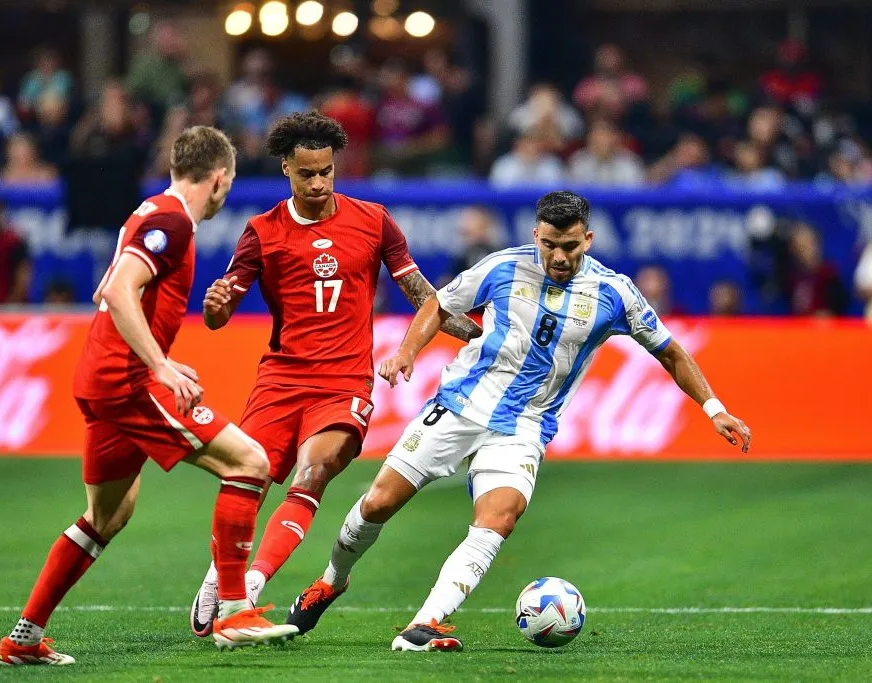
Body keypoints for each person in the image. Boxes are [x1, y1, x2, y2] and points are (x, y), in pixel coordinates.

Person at [285, 190, 752, 651]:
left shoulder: (615, 293)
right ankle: (331, 581)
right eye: (549, 244)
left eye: (570, 246)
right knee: (378, 504)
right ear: (536, 235)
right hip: (460, 405)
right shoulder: (503, 265)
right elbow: (439, 304)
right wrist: (407, 352)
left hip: (526, 425)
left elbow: (669, 351)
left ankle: (424, 624)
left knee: (498, 518)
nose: (559, 256)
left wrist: (714, 408)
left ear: (587, 240)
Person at [0, 126, 297, 667]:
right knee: (250, 462)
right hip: (128, 383)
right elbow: (116, 290)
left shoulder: (149, 209)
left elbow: (108, 286)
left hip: (102, 378)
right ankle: (231, 610)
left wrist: (155, 347)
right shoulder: (173, 220)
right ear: (221, 177)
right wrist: (157, 363)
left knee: (106, 516)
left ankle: (23, 636)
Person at [189, 112, 482, 637]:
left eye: (326, 171)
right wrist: (215, 304)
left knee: (313, 474)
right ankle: (221, 575)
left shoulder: (373, 221)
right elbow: (218, 317)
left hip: (344, 384)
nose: (320, 183)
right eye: (308, 174)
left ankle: (249, 588)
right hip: (280, 381)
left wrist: (479, 336)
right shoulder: (261, 233)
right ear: (286, 169)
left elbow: (424, 299)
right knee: (246, 480)